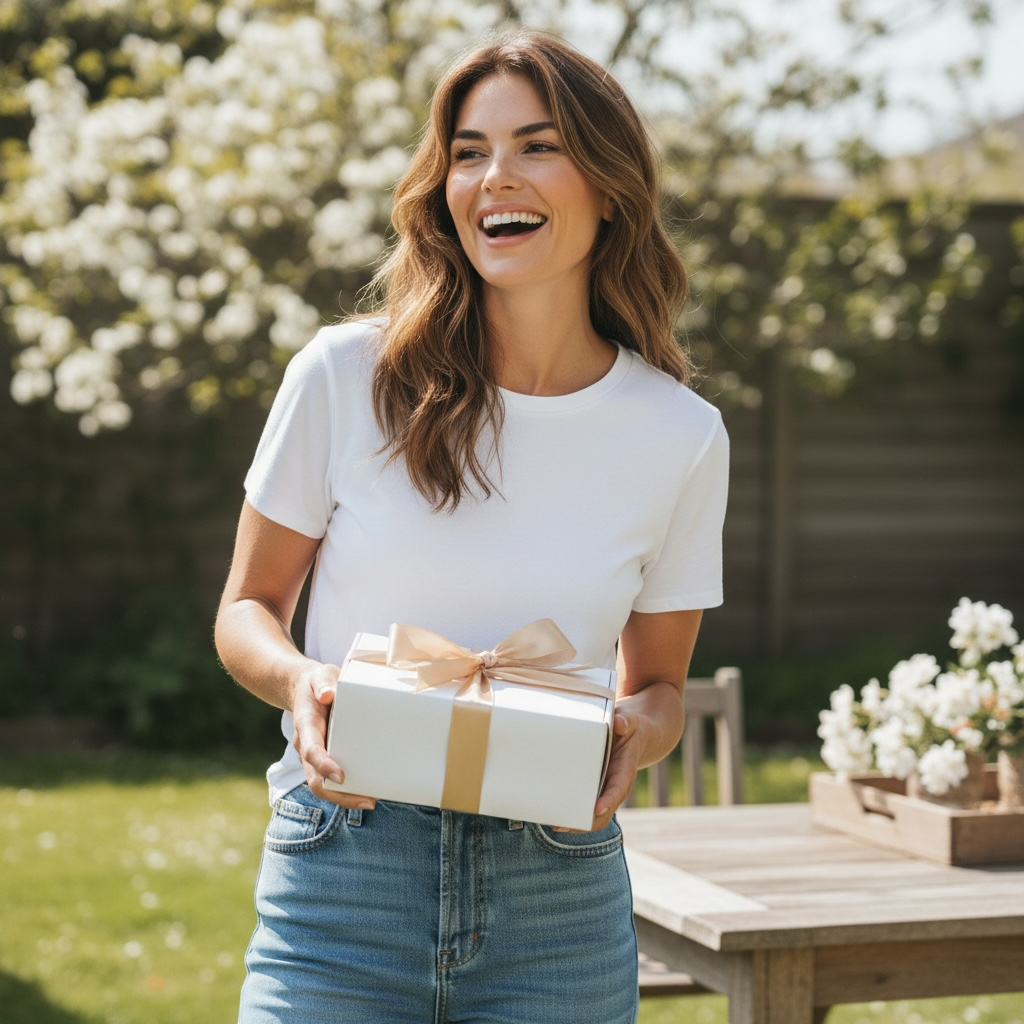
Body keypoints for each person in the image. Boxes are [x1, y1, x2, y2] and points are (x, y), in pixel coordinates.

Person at [215, 28, 728, 1024]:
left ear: (609, 186)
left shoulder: (680, 433)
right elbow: (246, 608)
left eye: (538, 146)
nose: (497, 176)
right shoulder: (344, 377)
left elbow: (660, 686)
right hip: (345, 875)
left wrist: (638, 732)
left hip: (557, 898)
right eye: (468, 152)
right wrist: (300, 680)